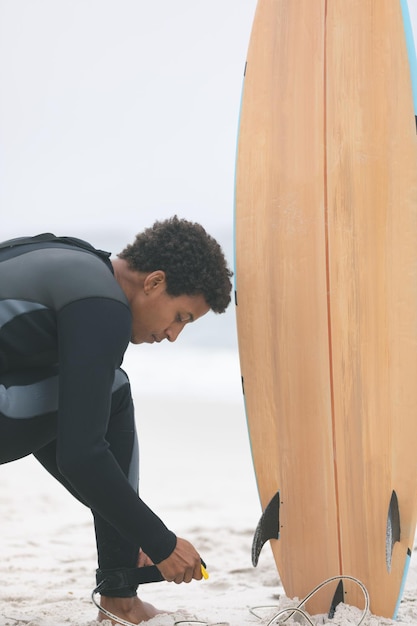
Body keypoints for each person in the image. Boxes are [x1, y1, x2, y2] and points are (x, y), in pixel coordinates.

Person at [0, 216, 233, 625]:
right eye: (180, 317)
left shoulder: (75, 258)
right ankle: (121, 600)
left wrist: (131, 528)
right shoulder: (102, 306)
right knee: (113, 390)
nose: (173, 335)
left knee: (87, 394)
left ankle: (122, 578)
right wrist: (159, 542)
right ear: (155, 282)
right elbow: (81, 454)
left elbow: (50, 417)